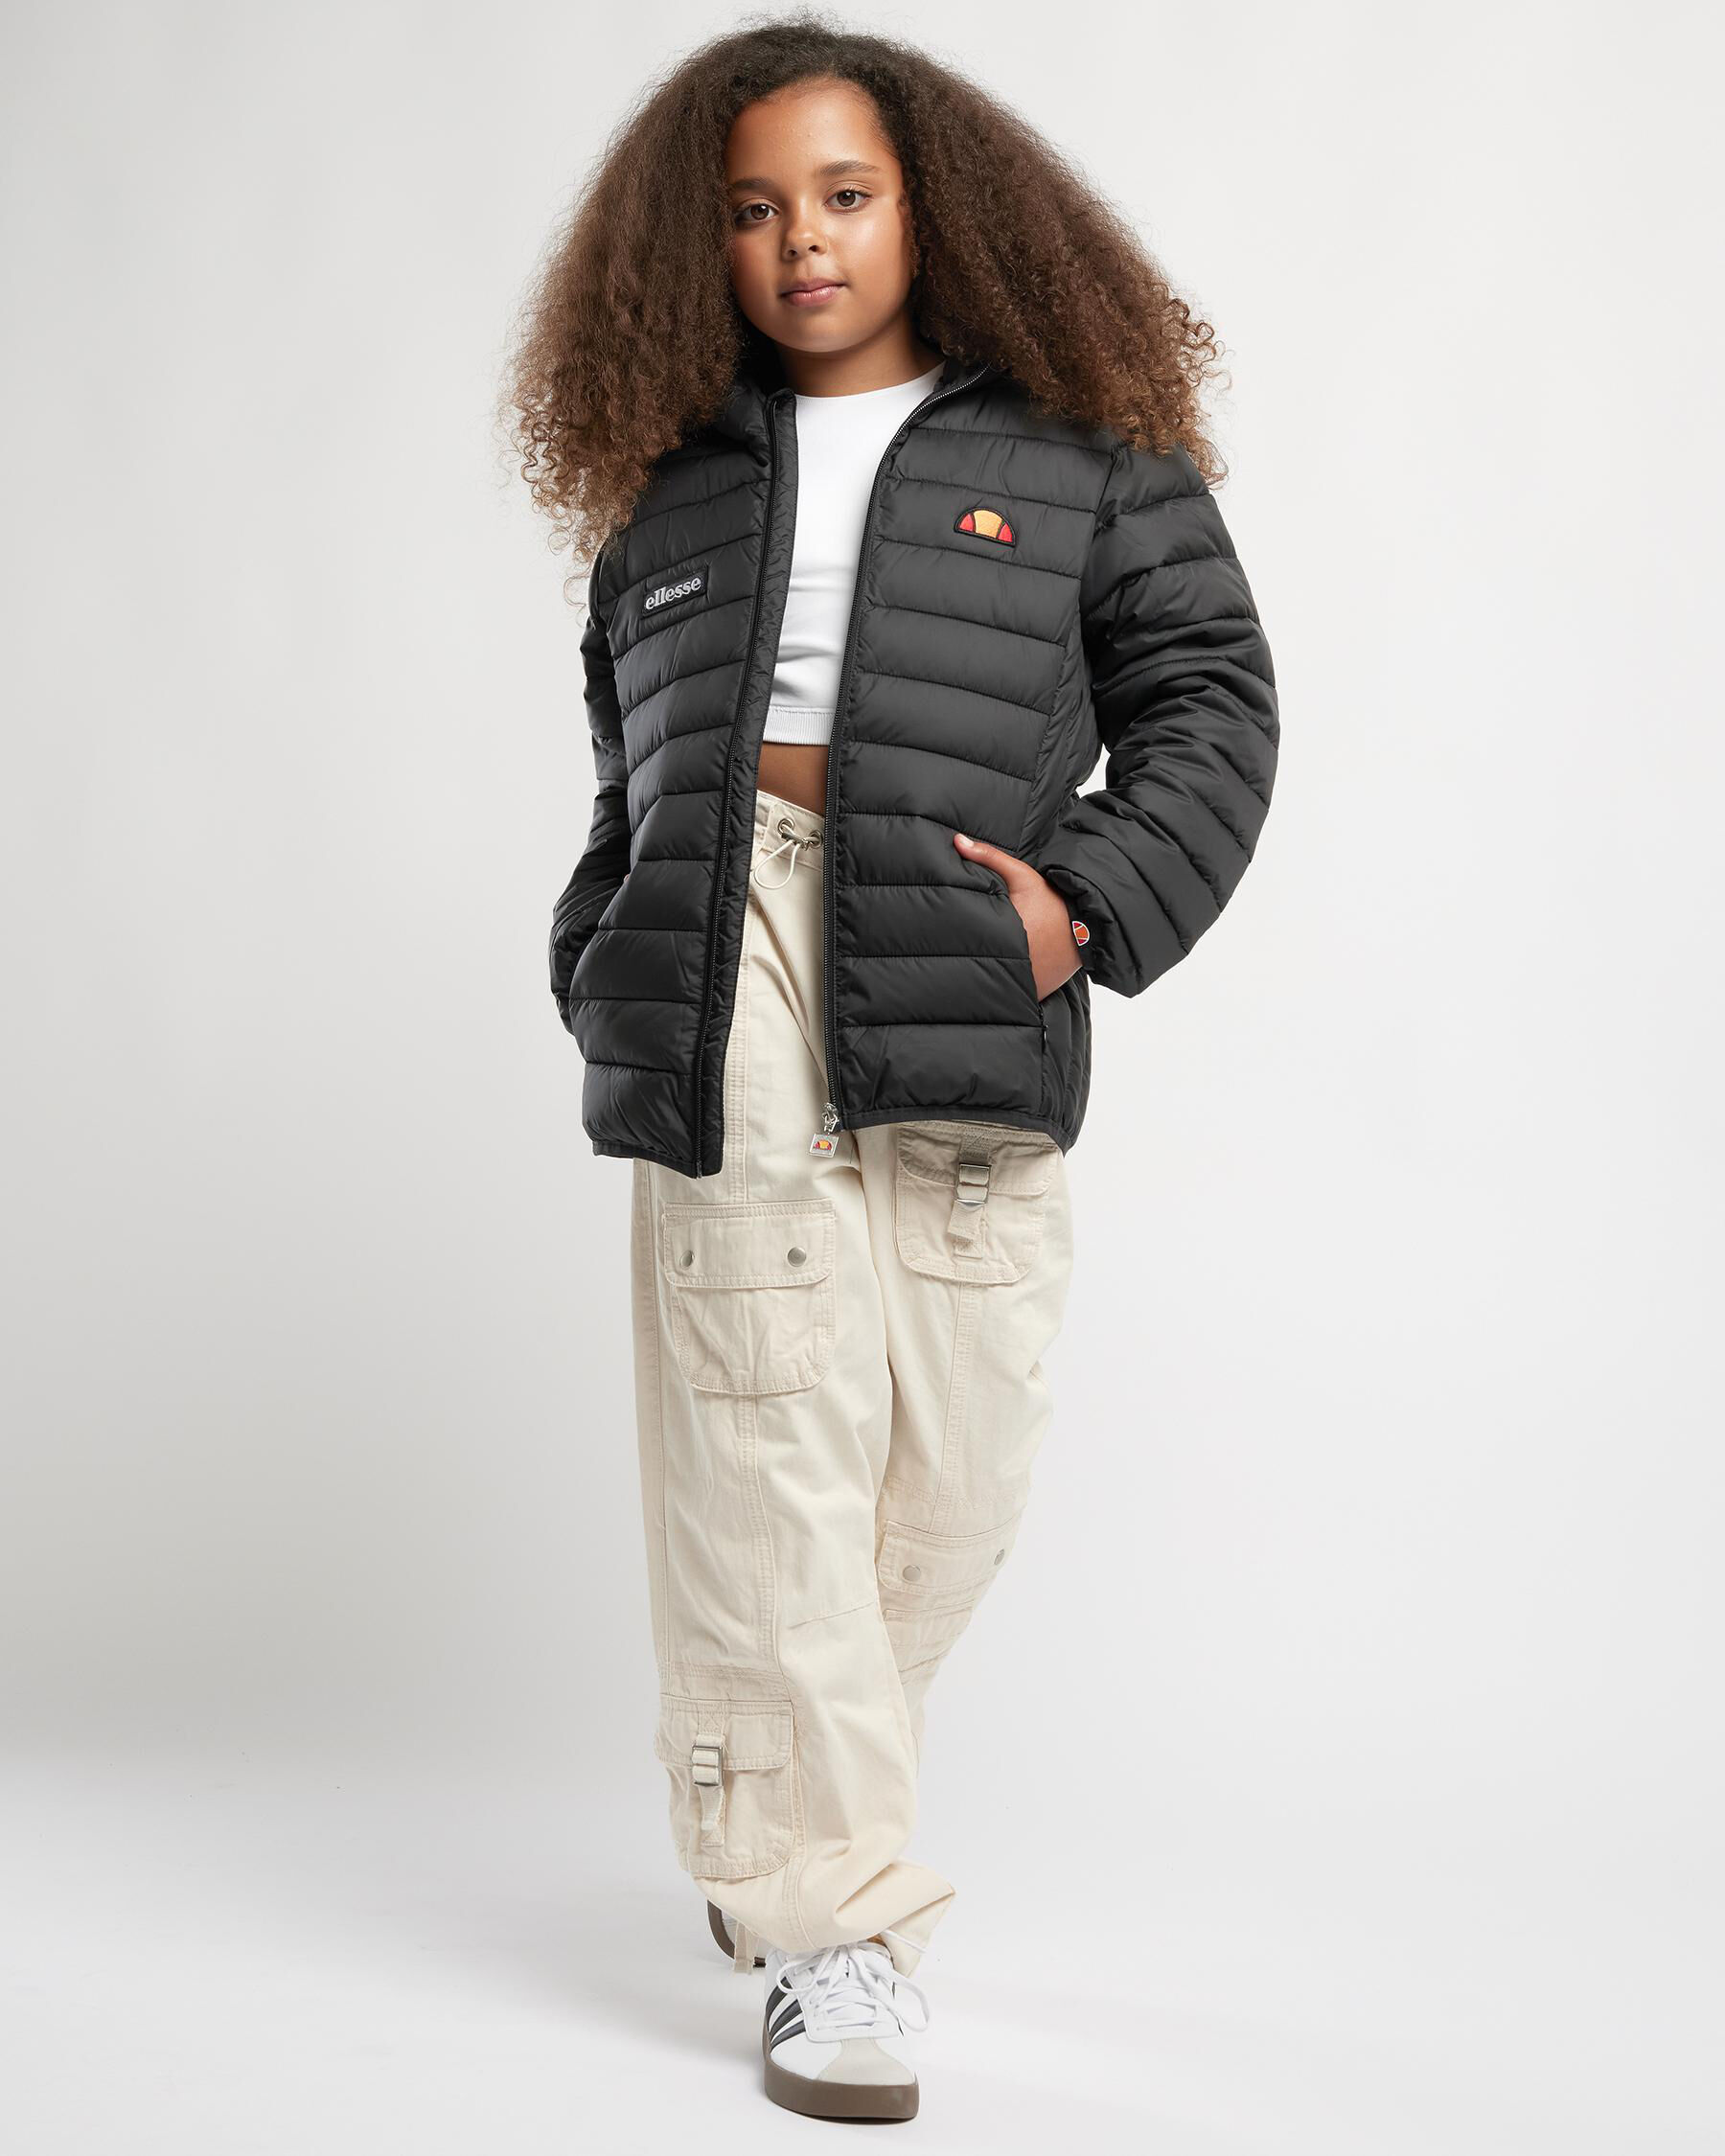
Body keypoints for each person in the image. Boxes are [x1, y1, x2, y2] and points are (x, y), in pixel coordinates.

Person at [503, 15, 1278, 2123]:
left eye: (844, 195)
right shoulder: (673, 482)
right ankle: (830, 1924)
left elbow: (1210, 699)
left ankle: (777, 1786)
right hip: (728, 956)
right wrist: (603, 944)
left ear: (935, 207)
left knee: (960, 1456)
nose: (803, 243)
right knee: (770, 1429)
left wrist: (1085, 904)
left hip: (961, 947)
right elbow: (631, 767)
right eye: (753, 210)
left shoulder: (1089, 452)